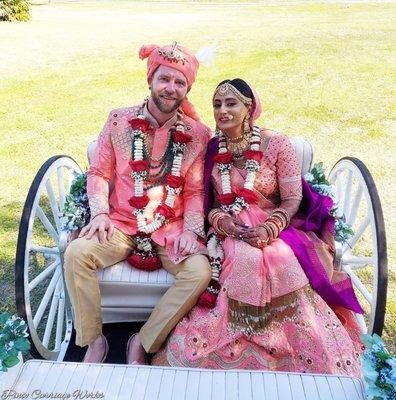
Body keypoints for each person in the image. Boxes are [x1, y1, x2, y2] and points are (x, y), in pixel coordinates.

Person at [152, 78, 363, 376]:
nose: (222, 110)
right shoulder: (213, 149)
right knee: (242, 258)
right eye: (217, 104)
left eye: (231, 103)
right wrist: (223, 222)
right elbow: (207, 201)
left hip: (276, 224)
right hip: (229, 229)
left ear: (249, 108)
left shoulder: (276, 143)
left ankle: (299, 347)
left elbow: (292, 199)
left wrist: (269, 228)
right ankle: (238, 345)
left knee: (282, 261)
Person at [63, 42, 212, 364]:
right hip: (120, 224)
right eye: (164, 79)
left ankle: (142, 342)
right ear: (150, 80)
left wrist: (191, 231)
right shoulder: (118, 121)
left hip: (169, 229)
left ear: (187, 89)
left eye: (179, 82)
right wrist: (100, 212)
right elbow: (99, 172)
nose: (171, 88)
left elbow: (196, 191)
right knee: (77, 252)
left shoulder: (198, 134)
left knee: (199, 271)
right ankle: (93, 342)